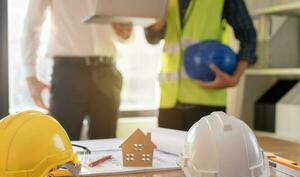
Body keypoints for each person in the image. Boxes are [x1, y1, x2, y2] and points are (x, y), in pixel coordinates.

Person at [21, 0, 133, 140]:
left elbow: (127, 29)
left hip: (108, 71)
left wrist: (127, 33)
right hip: (68, 73)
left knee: (106, 144)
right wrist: (30, 76)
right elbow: (32, 24)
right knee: (62, 145)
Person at [145, 0, 257, 131]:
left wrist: (235, 77)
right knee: (168, 151)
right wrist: (154, 27)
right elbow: (152, 38)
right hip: (168, 101)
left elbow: (248, 35)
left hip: (207, 98)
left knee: (207, 151)